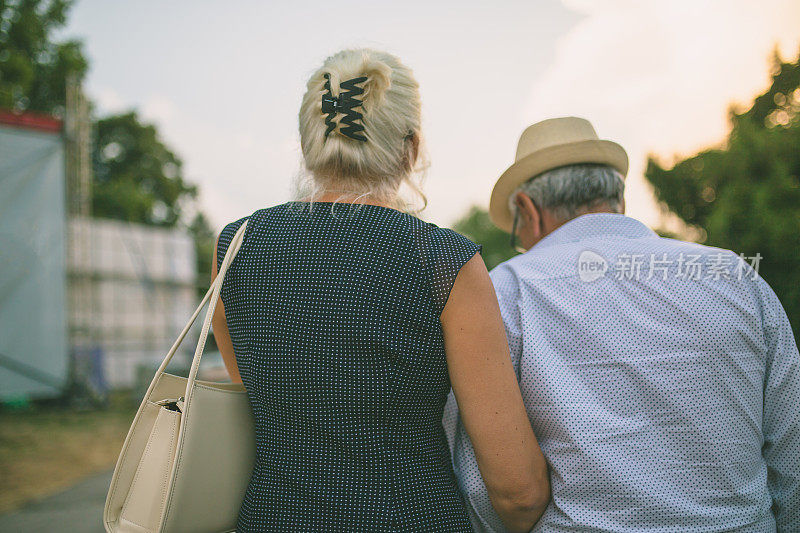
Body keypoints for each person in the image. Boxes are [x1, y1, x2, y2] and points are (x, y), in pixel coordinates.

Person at [210, 49, 549, 533]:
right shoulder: (442, 260)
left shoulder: (236, 248)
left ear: (310, 147)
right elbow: (518, 490)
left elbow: (263, 408)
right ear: (411, 148)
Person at [446, 117, 800, 531]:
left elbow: (481, 482)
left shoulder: (503, 294)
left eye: (517, 233)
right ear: (619, 201)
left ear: (528, 210)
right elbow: (790, 453)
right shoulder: (736, 278)